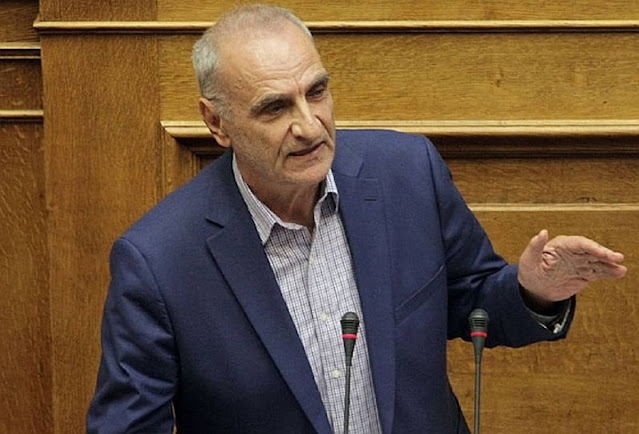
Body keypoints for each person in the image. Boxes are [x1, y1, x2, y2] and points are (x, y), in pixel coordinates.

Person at [86, 4, 626, 433]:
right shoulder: (159, 261)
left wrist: (534, 291)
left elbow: (474, 301)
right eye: (275, 108)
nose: (309, 126)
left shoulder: (407, 174)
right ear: (217, 122)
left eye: (316, 92)